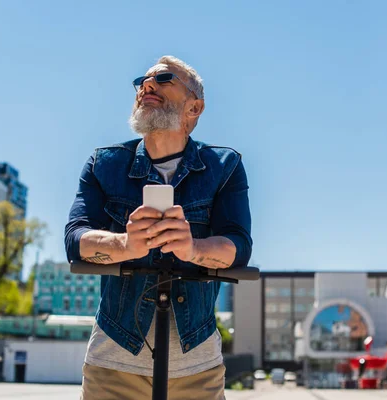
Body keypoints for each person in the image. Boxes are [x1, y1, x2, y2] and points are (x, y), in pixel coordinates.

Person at [64, 55, 253, 400]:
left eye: (163, 79)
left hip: (197, 368)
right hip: (113, 364)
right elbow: (75, 239)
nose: (146, 85)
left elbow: (238, 246)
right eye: (142, 81)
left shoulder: (225, 167)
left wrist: (192, 249)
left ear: (194, 108)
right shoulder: (103, 164)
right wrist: (125, 245)